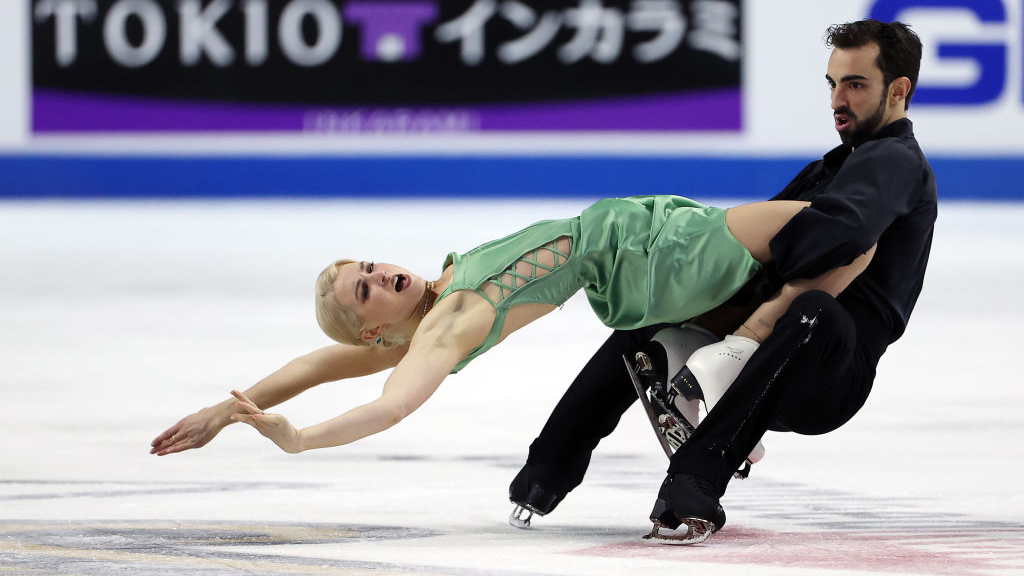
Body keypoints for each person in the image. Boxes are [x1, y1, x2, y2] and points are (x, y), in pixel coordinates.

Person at [508, 18, 937, 544]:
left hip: (828, 371)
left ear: (899, 91)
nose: (836, 100)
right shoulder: (829, 170)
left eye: (855, 84)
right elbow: (753, 253)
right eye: (832, 83)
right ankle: (546, 469)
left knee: (816, 312)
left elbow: (837, 235)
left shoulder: (895, 161)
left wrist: (760, 275)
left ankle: (695, 479)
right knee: (655, 308)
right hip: (769, 339)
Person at [150, 196, 873, 466]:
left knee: (827, 237)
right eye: (363, 292)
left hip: (636, 261)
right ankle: (737, 351)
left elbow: (320, 363)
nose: (378, 277)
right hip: (650, 253)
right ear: (377, 334)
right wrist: (299, 440)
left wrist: (225, 406)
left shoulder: (427, 305)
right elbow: (393, 404)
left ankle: (714, 358)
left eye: (368, 266)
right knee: (852, 232)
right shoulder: (444, 327)